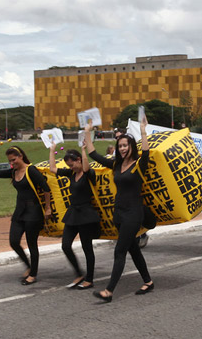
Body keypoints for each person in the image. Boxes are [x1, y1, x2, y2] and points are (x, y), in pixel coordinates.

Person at [86, 119, 154, 302]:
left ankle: (108, 291)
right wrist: (87, 132)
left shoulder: (139, 164)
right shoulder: (116, 165)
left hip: (134, 214)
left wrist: (142, 130)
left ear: (132, 146)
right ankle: (148, 281)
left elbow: (146, 152)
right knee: (133, 250)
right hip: (119, 214)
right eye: (120, 145)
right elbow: (94, 154)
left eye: (126, 145)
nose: (123, 148)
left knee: (119, 251)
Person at [0, 145, 51, 285]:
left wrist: (48, 208)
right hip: (20, 212)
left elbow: (46, 188)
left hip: (33, 212)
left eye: (14, 159)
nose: (12, 163)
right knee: (14, 242)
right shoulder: (13, 172)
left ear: (21, 156)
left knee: (32, 244)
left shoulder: (31, 170)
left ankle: (33, 275)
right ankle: (29, 266)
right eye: (10, 161)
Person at [48, 143, 101, 290]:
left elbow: (86, 168)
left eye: (72, 164)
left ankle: (89, 279)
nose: (71, 168)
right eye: (68, 165)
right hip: (73, 213)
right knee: (65, 245)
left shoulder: (88, 174)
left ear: (78, 160)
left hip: (86, 214)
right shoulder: (71, 173)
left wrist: (84, 150)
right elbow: (53, 169)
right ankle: (79, 273)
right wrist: (52, 151)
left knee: (87, 248)